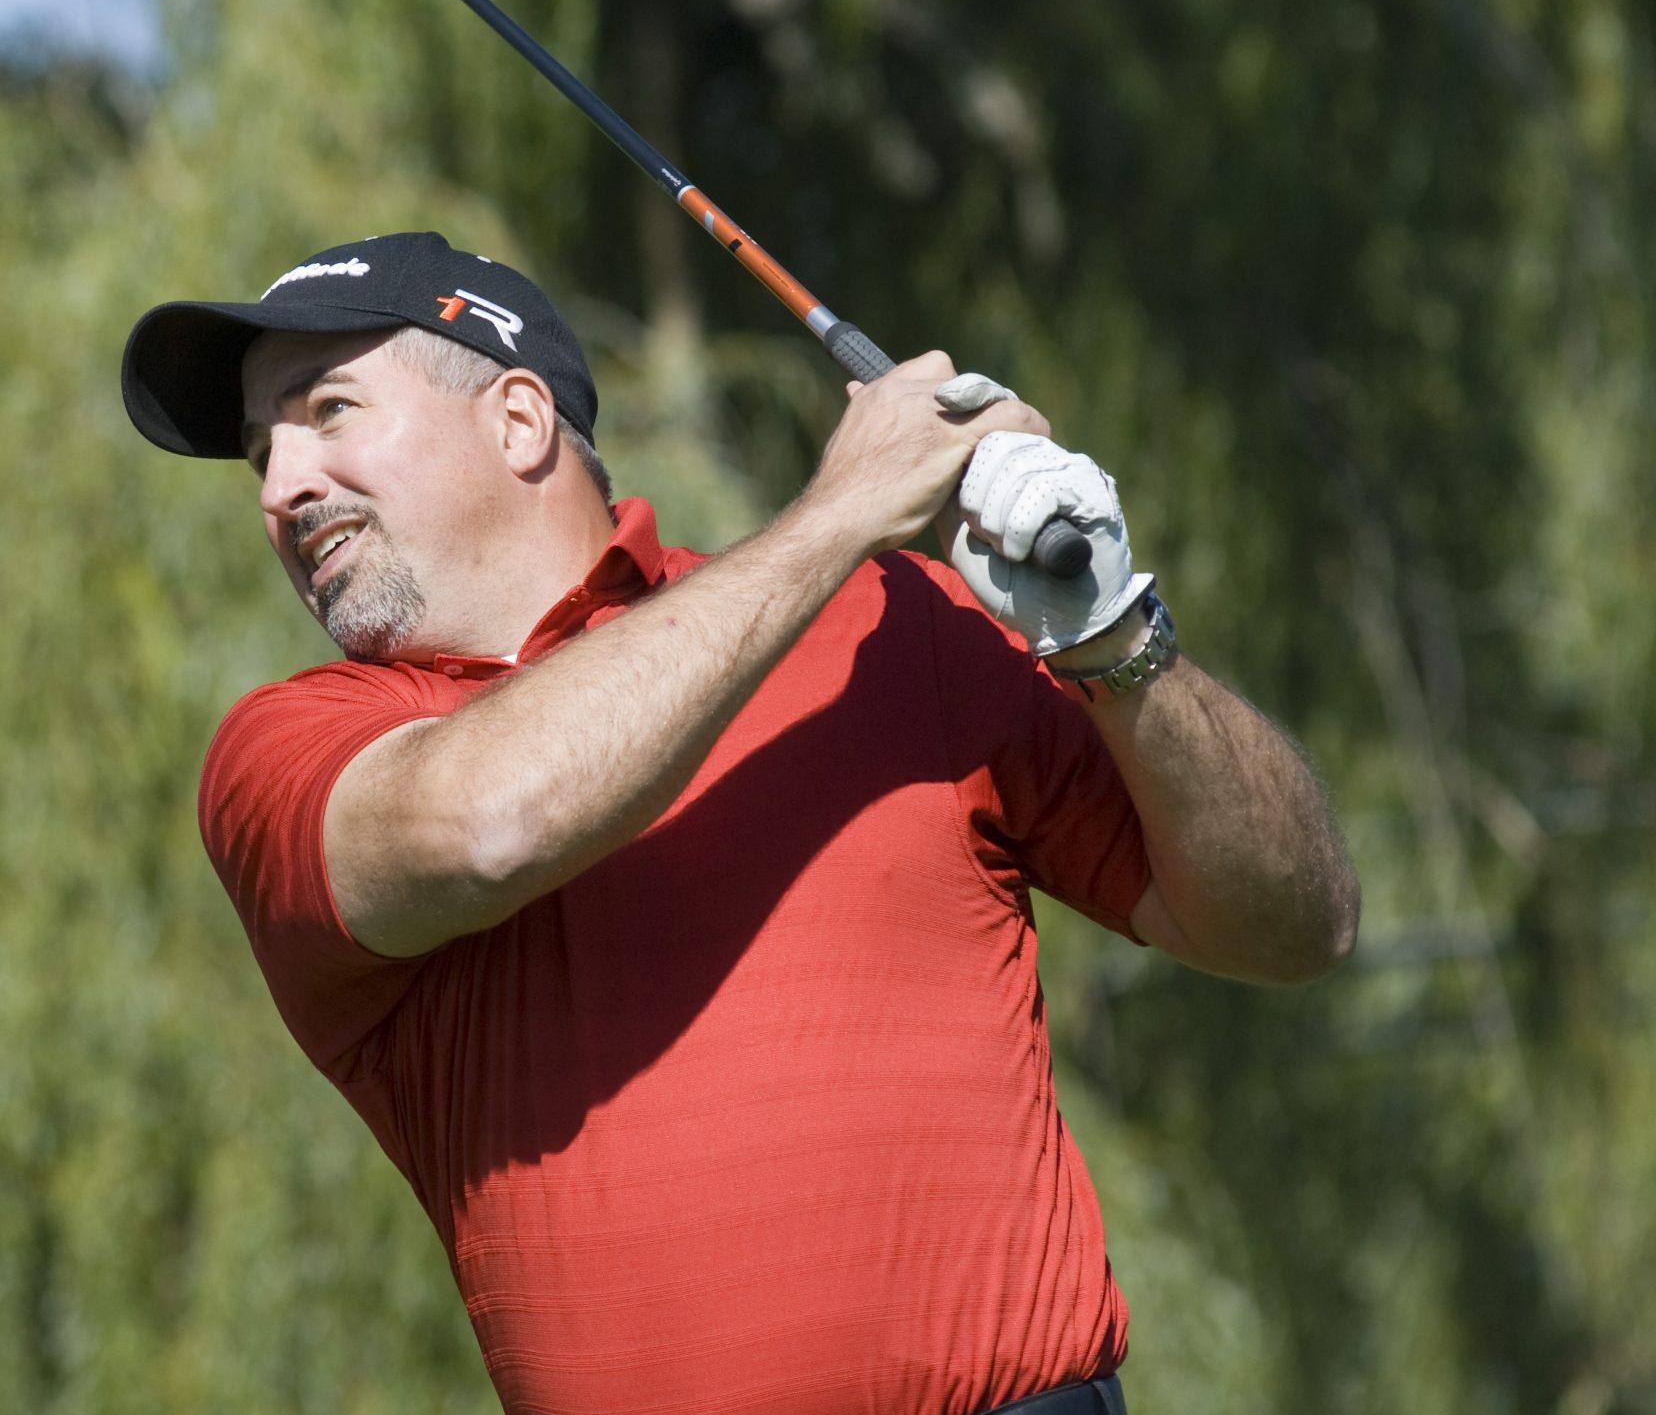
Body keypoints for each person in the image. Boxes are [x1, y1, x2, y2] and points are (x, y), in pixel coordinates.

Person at [121, 231, 1358, 1415]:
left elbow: (1294, 923)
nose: (279, 486)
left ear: (518, 420)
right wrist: (840, 511)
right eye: (260, 450)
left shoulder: (892, 624)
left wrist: (1113, 639)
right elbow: (490, 823)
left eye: (328, 410)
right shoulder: (291, 751)